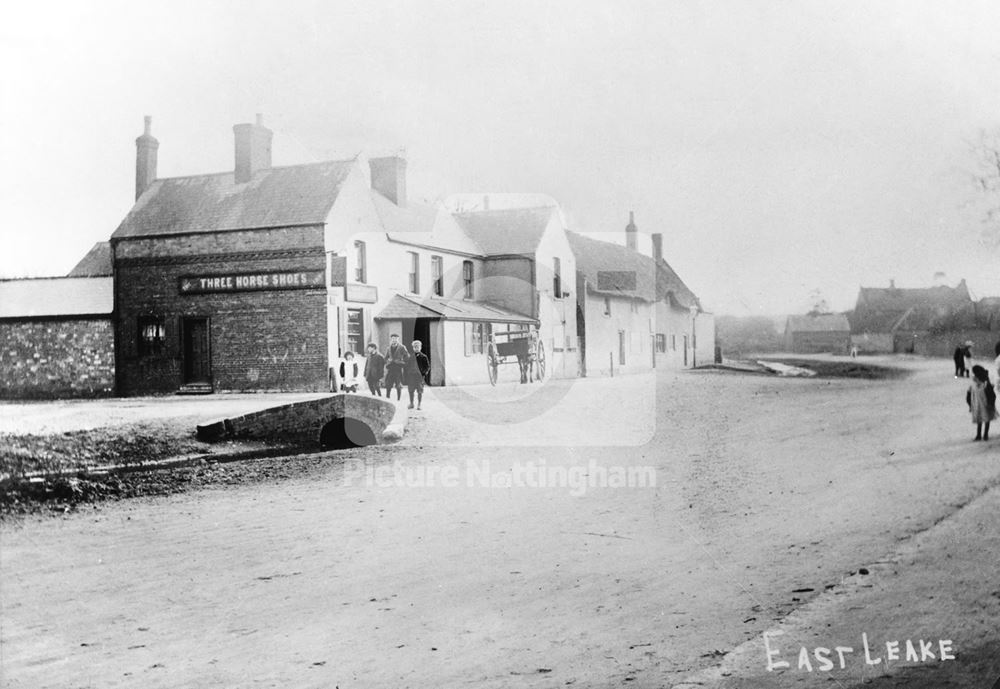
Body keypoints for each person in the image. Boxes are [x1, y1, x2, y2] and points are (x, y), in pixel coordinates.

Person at [966, 365, 998, 441]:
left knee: (983, 418)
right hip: (979, 403)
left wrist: (991, 404)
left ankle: (982, 434)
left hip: (983, 403)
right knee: (982, 419)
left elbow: (969, 393)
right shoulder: (981, 382)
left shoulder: (984, 383)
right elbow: (969, 393)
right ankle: (982, 435)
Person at [405, 339, 430, 410]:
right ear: (413, 348)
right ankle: (411, 403)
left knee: (420, 390)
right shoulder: (411, 357)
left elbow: (427, 367)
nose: (416, 348)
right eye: (415, 347)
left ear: (420, 347)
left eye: (418, 347)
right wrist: (409, 372)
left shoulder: (424, 357)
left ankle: (419, 404)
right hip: (412, 377)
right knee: (411, 390)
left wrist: (423, 373)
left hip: (419, 377)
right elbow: (407, 366)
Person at [384, 333, 409, 402]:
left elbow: (407, 357)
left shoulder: (402, 347)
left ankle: (398, 399)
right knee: (388, 384)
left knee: (398, 385)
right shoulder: (388, 348)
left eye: (395, 339)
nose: (394, 340)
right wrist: (388, 361)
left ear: (398, 339)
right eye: (393, 339)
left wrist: (402, 362)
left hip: (398, 368)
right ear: (391, 339)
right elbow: (385, 358)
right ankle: (387, 398)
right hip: (391, 368)